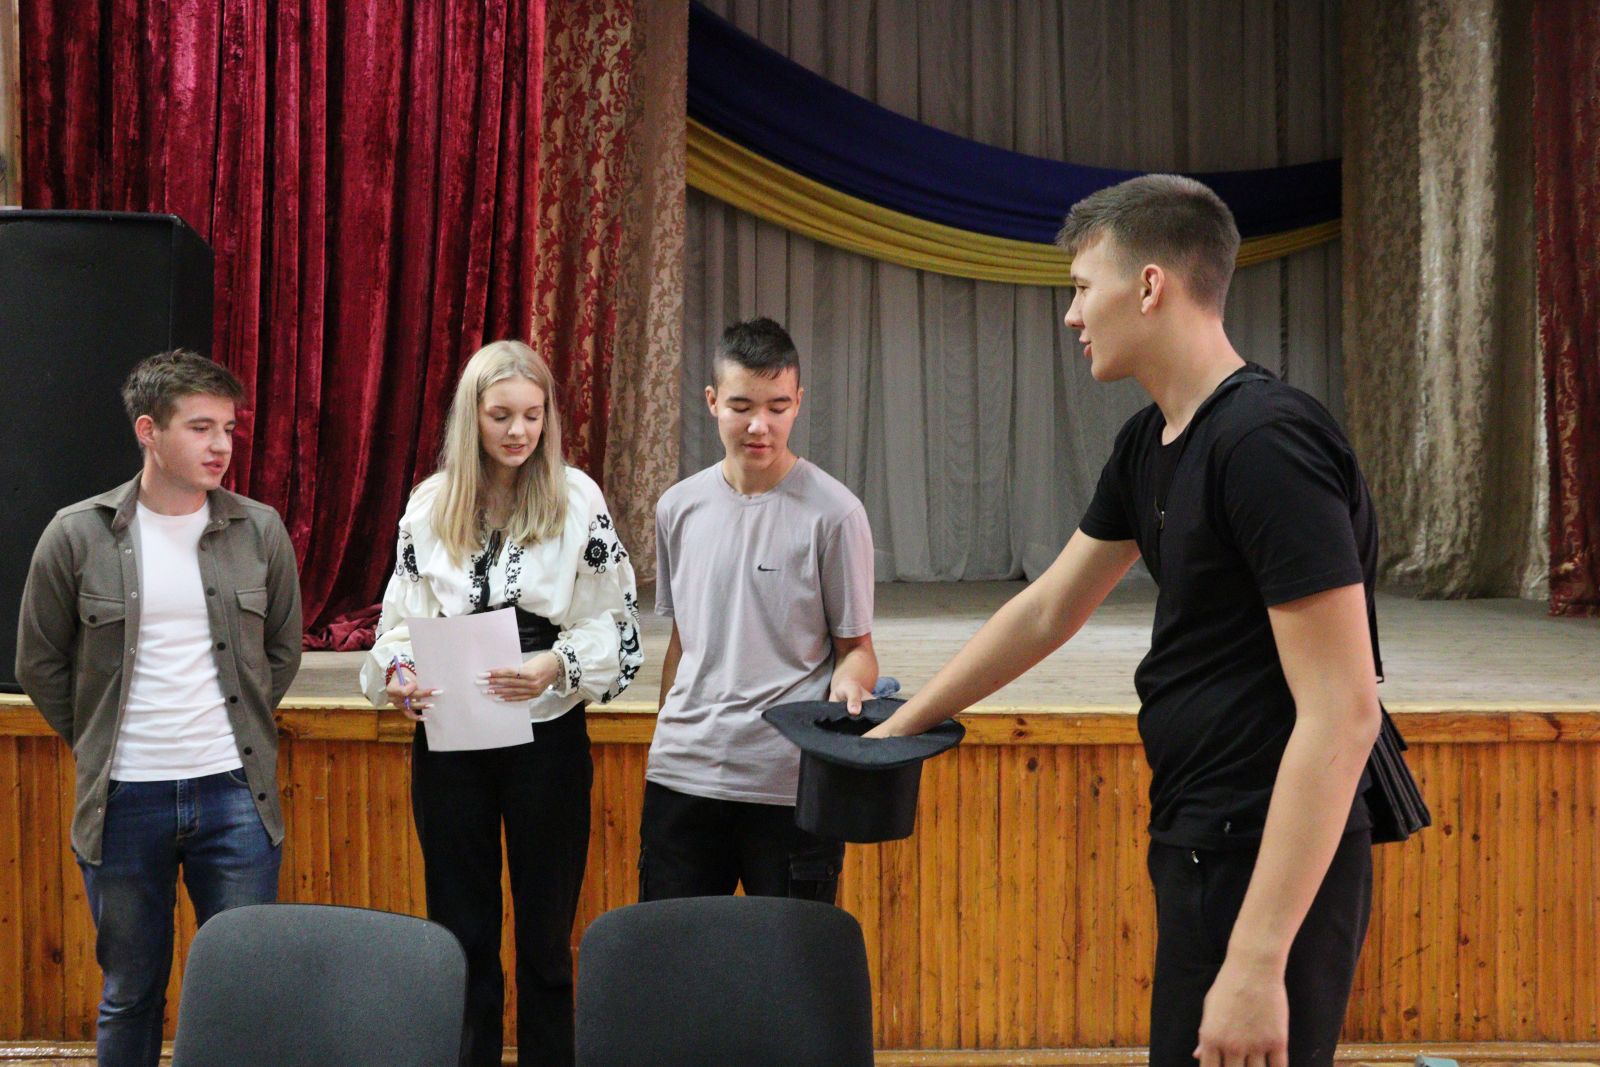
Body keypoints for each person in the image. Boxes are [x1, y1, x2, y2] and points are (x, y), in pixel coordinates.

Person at [867, 176, 1382, 1067]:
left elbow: (1343, 711)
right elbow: (1047, 608)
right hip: (1199, 833)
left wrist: (1257, 959)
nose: (1072, 315)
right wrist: (899, 724)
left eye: (1081, 287)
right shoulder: (1150, 441)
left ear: (1149, 286)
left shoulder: (1266, 442)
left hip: (1269, 856)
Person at [16, 350, 303, 1067]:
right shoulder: (76, 534)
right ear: (149, 430)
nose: (221, 445)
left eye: (228, 428)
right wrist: (101, 737)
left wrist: (236, 726)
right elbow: (39, 663)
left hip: (235, 794)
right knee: (130, 992)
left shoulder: (259, 529)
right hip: (123, 799)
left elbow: (281, 650)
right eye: (200, 428)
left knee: (243, 990)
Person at [360, 339, 641, 1067]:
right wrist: (400, 674)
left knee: (546, 938)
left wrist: (556, 663)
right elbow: (398, 626)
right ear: (471, 417)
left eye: (533, 416)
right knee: (461, 934)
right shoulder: (430, 503)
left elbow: (616, 621)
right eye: (501, 416)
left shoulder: (576, 497)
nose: (519, 432)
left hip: (547, 730)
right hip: (452, 731)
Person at [641, 317, 878, 904]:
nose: (759, 425)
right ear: (712, 401)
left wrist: (850, 688)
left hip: (788, 783)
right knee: (672, 952)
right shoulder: (677, 508)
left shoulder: (836, 514)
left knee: (794, 957)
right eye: (741, 406)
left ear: (799, 402)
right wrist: (667, 735)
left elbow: (856, 650)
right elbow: (682, 643)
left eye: (777, 406)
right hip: (683, 777)